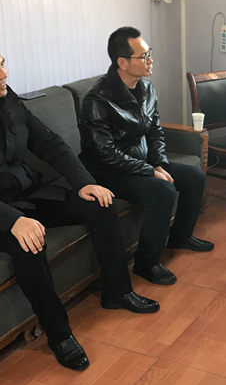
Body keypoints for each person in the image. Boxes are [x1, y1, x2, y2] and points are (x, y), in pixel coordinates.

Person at [0, 35, 160, 372]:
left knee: (100, 204)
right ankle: (59, 334)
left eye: (2, 64)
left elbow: (49, 143)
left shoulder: (6, 100)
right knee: (29, 244)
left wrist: (85, 182)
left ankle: (117, 291)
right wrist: (13, 221)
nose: (4, 73)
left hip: (26, 195)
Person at [78, 27, 213, 286]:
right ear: (122, 62)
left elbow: (155, 132)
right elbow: (105, 153)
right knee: (162, 191)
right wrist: (150, 171)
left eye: (149, 53)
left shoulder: (146, 88)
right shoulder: (97, 99)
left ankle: (180, 237)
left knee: (194, 176)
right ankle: (146, 262)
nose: (150, 60)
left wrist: (159, 163)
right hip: (108, 172)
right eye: (143, 56)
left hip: (140, 163)